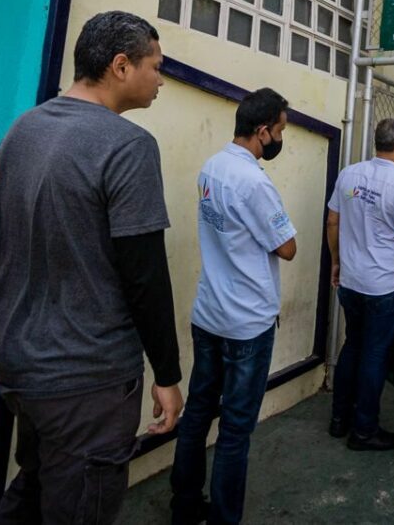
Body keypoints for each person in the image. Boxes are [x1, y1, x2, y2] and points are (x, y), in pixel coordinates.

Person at [0, 11, 183, 523]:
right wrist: (167, 373)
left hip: (19, 364)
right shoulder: (128, 145)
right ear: (121, 65)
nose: (161, 80)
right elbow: (144, 275)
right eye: (155, 67)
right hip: (86, 378)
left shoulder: (23, 129)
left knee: (34, 488)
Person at [171, 87, 297, 525]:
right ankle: (224, 518)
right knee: (235, 429)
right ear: (262, 131)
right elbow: (288, 248)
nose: (281, 139)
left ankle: (184, 508)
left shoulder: (211, 168)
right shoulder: (254, 182)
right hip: (247, 324)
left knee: (198, 412)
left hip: (209, 314)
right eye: (280, 131)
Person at [325, 118, 394, 451]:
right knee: (374, 354)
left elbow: (332, 221)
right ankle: (364, 430)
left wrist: (337, 261)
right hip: (384, 286)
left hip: (352, 281)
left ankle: (340, 419)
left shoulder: (349, 174)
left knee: (353, 345)